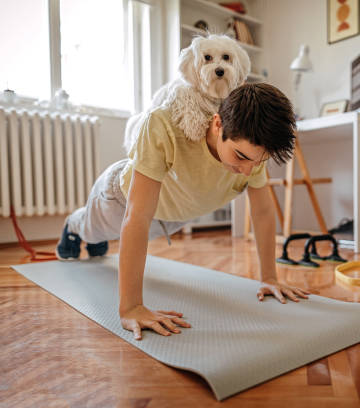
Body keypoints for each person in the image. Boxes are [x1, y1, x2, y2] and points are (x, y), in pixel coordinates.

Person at [56, 83, 310, 340]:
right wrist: (131, 308)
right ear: (217, 124)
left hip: (172, 217)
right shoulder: (163, 125)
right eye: (241, 157)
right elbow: (137, 215)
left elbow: (263, 212)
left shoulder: (252, 156)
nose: (248, 170)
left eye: (258, 162)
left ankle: (95, 242)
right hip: (120, 201)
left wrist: (269, 277)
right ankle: (73, 226)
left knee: (103, 240)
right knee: (91, 229)